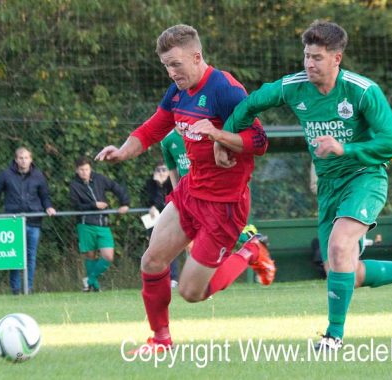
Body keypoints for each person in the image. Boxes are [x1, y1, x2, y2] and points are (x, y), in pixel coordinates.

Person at [213, 20, 392, 350]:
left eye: (318, 57)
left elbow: (391, 140)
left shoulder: (362, 91)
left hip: (365, 177)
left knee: (339, 247)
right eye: (307, 56)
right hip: (329, 187)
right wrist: (224, 139)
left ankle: (333, 337)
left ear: (337, 58)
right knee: (341, 267)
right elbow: (251, 103)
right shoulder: (293, 87)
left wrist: (345, 148)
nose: (309, 63)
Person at [95, 24, 275, 352]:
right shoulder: (177, 91)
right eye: (166, 65)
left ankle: (249, 250)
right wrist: (123, 151)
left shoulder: (226, 90)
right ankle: (161, 340)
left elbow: (260, 141)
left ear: (197, 56)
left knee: (192, 293)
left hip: (225, 205)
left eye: (176, 64)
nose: (171, 72)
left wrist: (220, 135)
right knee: (151, 262)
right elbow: (152, 129)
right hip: (190, 193)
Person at [0, 146, 56, 294]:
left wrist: (49, 207)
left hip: (33, 221)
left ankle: (28, 287)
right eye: (20, 158)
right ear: (16, 159)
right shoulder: (5, 175)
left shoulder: (38, 175)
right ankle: (15, 289)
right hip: (13, 222)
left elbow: (45, 195)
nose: (23, 161)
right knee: (15, 256)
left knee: (30, 256)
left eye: (26, 158)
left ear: (31, 159)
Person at [69, 156, 130, 292]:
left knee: (108, 256)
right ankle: (94, 287)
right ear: (77, 171)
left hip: (103, 224)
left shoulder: (99, 179)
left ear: (90, 169)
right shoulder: (74, 185)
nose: (84, 172)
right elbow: (76, 205)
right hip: (85, 225)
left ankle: (89, 280)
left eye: (87, 169)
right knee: (90, 256)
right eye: (81, 170)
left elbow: (116, 187)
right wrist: (93, 205)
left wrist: (125, 203)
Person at [143, 162, 179, 287]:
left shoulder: (172, 183)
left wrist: (162, 185)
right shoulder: (150, 184)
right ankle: (157, 277)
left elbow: (167, 201)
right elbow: (152, 202)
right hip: (152, 220)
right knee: (154, 248)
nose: (161, 173)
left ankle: (173, 277)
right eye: (158, 170)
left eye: (164, 169)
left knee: (171, 247)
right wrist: (157, 185)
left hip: (169, 219)